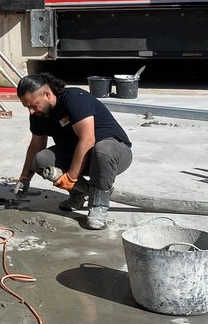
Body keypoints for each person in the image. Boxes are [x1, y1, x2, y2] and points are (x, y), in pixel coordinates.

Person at [13, 72, 133, 230]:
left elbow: (88, 139)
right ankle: (78, 194)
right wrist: (25, 176)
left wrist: (71, 177)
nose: (31, 111)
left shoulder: (74, 98)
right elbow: (36, 145)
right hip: (82, 156)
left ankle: (99, 206)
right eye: (27, 107)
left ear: (48, 94)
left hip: (114, 154)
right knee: (42, 160)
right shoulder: (38, 115)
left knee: (102, 150)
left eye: (34, 105)